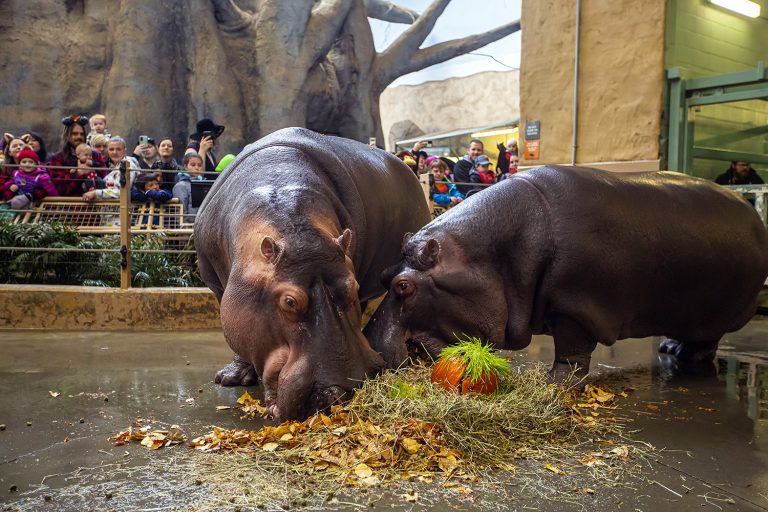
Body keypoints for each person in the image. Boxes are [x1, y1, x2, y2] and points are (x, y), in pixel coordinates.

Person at [50, 114, 106, 196]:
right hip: (69, 206)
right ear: (67, 136)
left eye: (82, 134)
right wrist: (78, 174)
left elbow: (105, 178)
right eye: (75, 134)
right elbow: (59, 188)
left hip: (95, 205)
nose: (79, 137)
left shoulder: (95, 155)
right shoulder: (58, 158)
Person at [81, 136, 141, 202]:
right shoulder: (114, 165)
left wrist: (95, 193)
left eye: (118, 149)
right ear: (108, 151)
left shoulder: (129, 165)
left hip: (127, 209)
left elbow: (121, 192)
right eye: (111, 149)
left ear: (125, 151)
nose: (114, 152)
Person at [173, 153, 205, 223]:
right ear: (185, 166)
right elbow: (180, 212)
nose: (197, 168)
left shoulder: (204, 183)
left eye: (199, 165)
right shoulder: (180, 186)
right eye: (193, 165)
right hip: (189, 228)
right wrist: (185, 230)